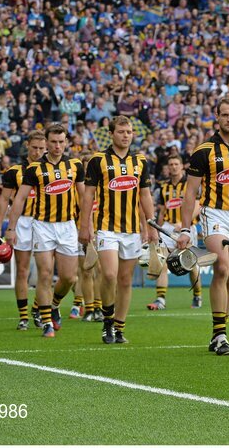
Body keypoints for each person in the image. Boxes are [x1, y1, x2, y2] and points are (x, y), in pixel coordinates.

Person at [175, 96, 229, 356]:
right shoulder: (204, 151)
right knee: (222, 268)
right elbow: (190, 192)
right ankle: (220, 334)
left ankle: (219, 332)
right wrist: (185, 228)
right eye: (224, 115)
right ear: (217, 117)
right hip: (214, 214)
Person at [1, 123, 86, 338]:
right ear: (47, 143)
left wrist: (87, 225)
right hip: (42, 226)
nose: (57, 146)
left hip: (67, 226)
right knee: (45, 274)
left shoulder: (75, 165)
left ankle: (54, 304)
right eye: (53, 142)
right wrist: (10, 228)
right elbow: (19, 199)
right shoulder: (35, 168)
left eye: (61, 141)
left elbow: (86, 198)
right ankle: (47, 322)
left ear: (66, 142)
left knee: (69, 277)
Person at [78, 116, 156, 344]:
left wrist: (150, 225)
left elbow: (145, 196)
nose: (125, 135)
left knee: (124, 280)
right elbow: (88, 195)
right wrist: (85, 226)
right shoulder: (98, 160)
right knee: (109, 274)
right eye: (121, 131)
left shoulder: (141, 161)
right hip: (106, 228)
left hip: (132, 229)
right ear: (111, 133)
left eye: (129, 132)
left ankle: (119, 327)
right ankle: (107, 321)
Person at [0, 131, 47, 330]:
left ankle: (37, 309)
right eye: (35, 147)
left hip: (46, 222)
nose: (38, 152)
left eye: (42, 148)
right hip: (23, 222)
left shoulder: (52, 169)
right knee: (23, 269)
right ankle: (24, 316)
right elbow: (3, 200)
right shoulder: (14, 171)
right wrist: (0, 227)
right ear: (27, 146)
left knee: (46, 272)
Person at [150, 153, 203, 310]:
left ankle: (197, 295)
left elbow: (198, 205)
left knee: (190, 265)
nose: (173, 167)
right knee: (162, 262)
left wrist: (183, 223)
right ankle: (160, 299)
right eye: (171, 164)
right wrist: (157, 230)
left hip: (186, 228)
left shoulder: (190, 184)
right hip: (167, 228)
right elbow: (161, 210)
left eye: (176, 164)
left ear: (182, 166)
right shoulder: (163, 186)